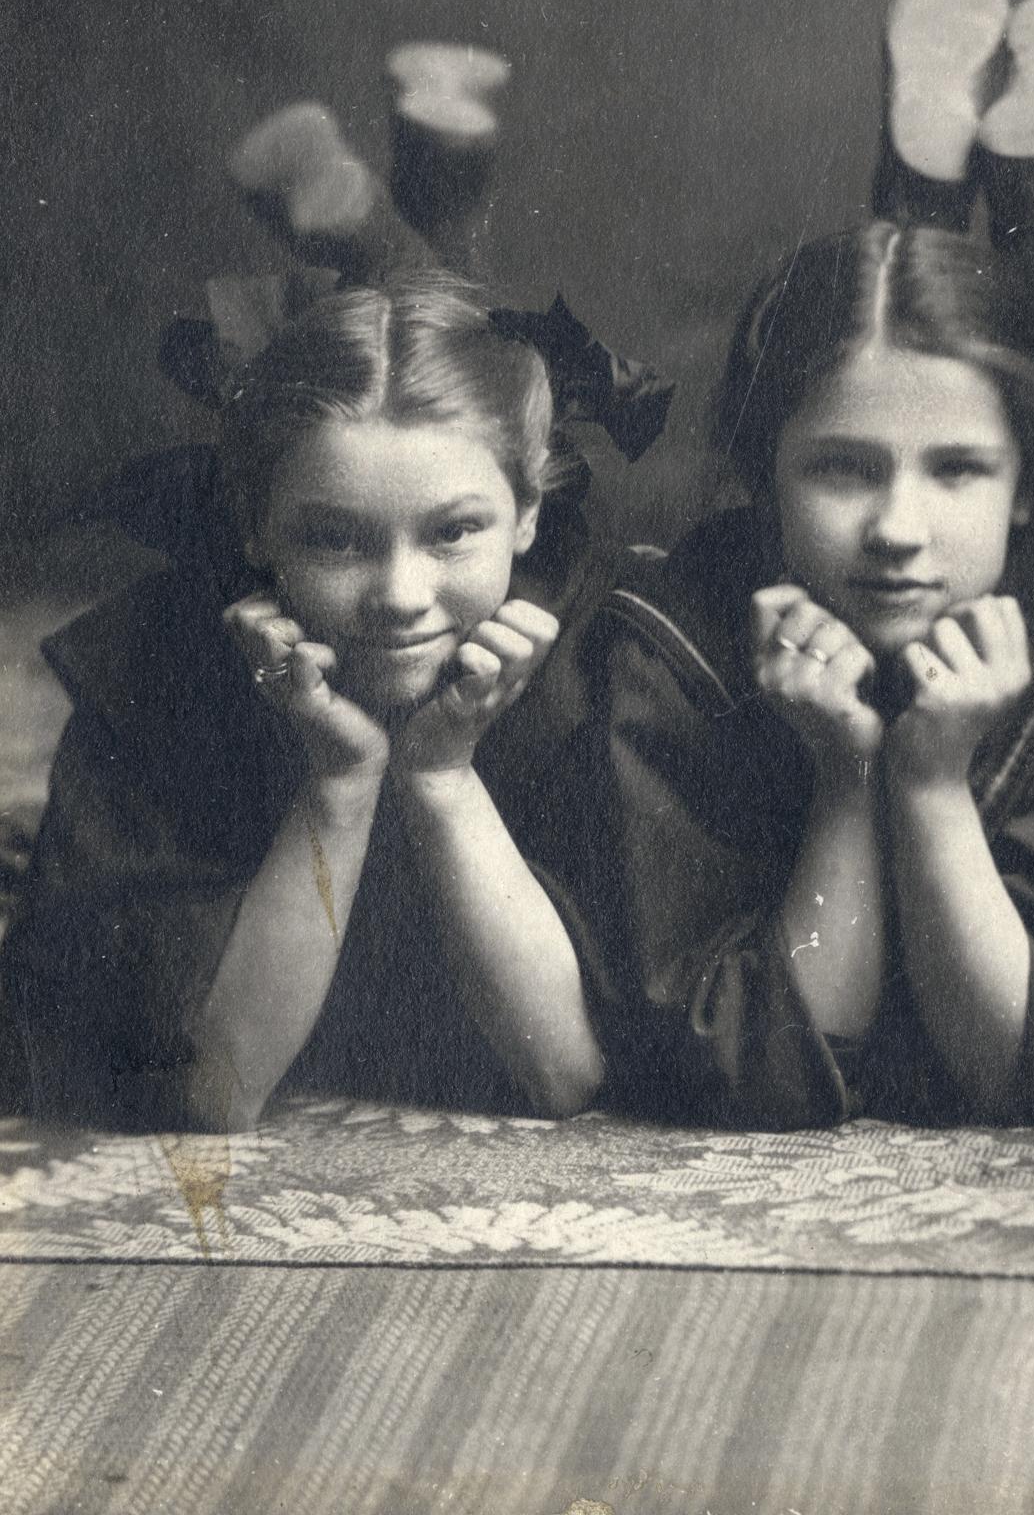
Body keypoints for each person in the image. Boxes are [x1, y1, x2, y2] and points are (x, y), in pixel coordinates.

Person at [583, 220, 1034, 1127]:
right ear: (766, 474)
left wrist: (933, 784)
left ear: (1027, 487)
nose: (897, 529)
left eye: (958, 470)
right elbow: (748, 1072)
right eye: (843, 470)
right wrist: (845, 777)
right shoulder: (674, 643)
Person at [8, 273, 621, 1130]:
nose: (400, 596)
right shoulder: (152, 671)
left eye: (453, 532)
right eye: (335, 539)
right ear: (255, 526)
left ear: (526, 514)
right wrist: (341, 781)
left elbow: (564, 1077)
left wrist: (442, 776)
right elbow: (218, 1090)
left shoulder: (603, 666)